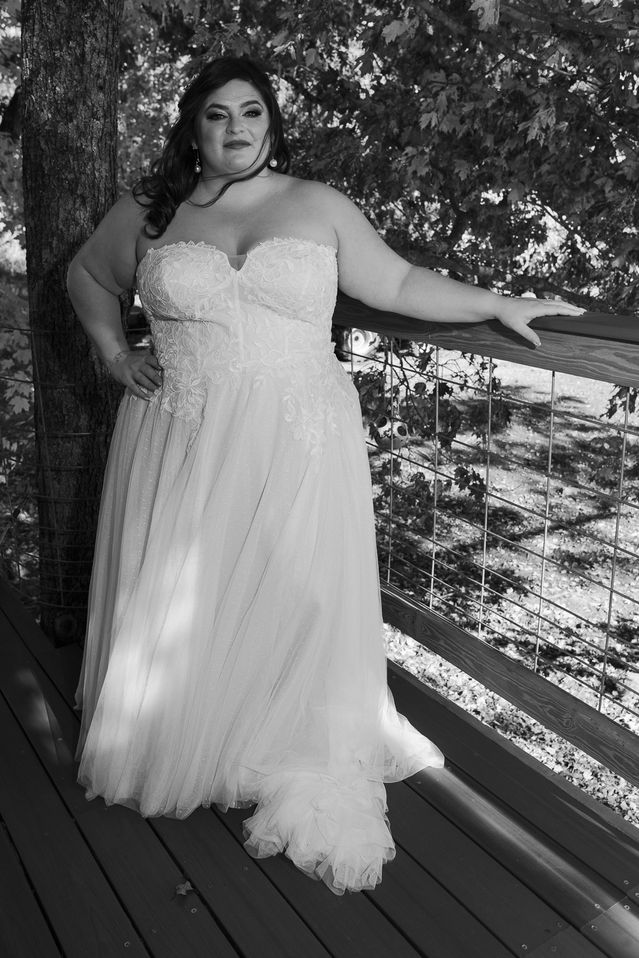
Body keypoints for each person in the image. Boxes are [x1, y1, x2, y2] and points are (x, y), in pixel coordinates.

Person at [67, 55, 583, 895]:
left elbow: (401, 283)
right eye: (217, 115)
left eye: (252, 114)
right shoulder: (149, 214)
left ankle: (283, 738)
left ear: (272, 124)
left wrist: (496, 302)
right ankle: (186, 731)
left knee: (295, 587)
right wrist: (111, 351)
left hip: (298, 433)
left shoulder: (317, 205)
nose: (236, 129)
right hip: (182, 429)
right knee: (187, 583)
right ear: (191, 127)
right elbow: (87, 276)